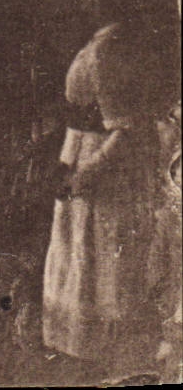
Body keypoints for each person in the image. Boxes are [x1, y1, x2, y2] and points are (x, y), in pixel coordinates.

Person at [43, 20, 171, 373]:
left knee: (102, 259)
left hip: (107, 172)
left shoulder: (109, 49)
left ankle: (108, 353)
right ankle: (81, 349)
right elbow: (77, 120)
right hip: (82, 158)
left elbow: (125, 130)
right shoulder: (97, 41)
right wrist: (66, 164)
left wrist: (86, 172)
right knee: (79, 253)